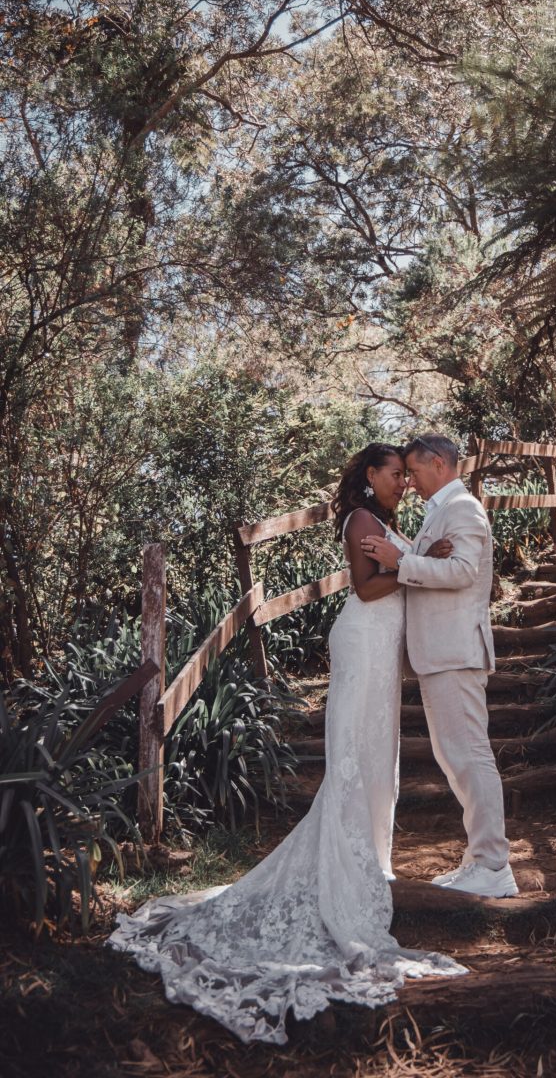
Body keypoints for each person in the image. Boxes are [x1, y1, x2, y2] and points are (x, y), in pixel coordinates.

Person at [108, 443, 465, 1045]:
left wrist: (415, 557)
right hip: (363, 641)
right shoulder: (361, 518)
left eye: (407, 476)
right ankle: (348, 863)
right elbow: (366, 588)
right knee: (356, 753)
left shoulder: (383, 521)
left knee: (377, 755)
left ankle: (368, 859)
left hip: (382, 651)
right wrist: (422, 559)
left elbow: (396, 578)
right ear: (370, 475)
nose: (403, 482)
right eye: (395, 474)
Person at [362, 433, 517, 899]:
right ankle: (479, 859)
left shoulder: (463, 508)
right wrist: (412, 559)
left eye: (413, 471)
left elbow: (464, 571)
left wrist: (402, 561)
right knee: (455, 759)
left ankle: (493, 864)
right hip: (439, 654)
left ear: (438, 464)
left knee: (469, 756)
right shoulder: (441, 510)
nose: (409, 481)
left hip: (455, 652)